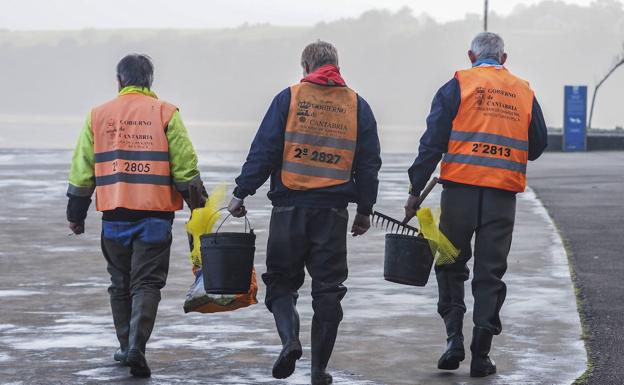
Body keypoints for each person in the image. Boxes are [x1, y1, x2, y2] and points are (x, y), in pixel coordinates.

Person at [227, 40, 381, 385]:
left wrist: (241, 192)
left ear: (305, 67)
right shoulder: (358, 105)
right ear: (336, 66)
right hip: (333, 213)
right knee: (328, 290)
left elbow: (264, 151)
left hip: (289, 209)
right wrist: (365, 210)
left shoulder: (290, 98)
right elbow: (369, 164)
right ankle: (318, 370)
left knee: (281, 283)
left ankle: (290, 340)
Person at [403, 32, 547, 377]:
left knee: (450, 262)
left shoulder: (458, 85)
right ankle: (481, 355)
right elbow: (538, 143)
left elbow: (432, 141)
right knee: (490, 273)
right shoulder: (524, 91)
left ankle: (453, 338)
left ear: (471, 55)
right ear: (504, 58)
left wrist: (414, 190)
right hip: (501, 198)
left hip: (458, 196)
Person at [66, 54, 206, 378]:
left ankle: (126, 344)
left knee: (120, 283)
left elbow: (82, 169)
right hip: (155, 215)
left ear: (119, 80)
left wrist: (76, 214)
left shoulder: (97, 116)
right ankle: (136, 347)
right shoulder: (166, 113)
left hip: (114, 214)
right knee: (147, 284)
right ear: (149, 81)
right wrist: (199, 206)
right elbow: (185, 167)